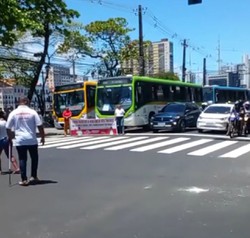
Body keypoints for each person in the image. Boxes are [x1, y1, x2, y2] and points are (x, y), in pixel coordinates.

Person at [6, 97, 45, 186]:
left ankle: (24, 179)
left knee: (22, 159)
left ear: (19, 102)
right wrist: (43, 137)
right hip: (31, 139)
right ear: (26, 102)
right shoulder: (32, 112)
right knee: (34, 158)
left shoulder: (13, 113)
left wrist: (10, 137)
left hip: (20, 140)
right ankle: (34, 176)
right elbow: (40, 126)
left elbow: (8, 127)